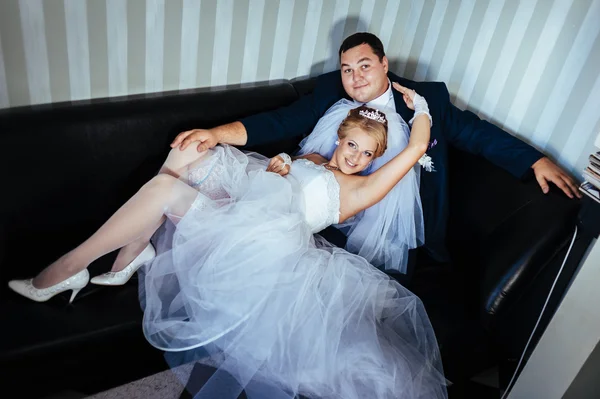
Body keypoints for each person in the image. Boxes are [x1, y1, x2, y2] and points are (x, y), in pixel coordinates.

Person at [9, 90, 448, 398]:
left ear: (374, 160)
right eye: (352, 144)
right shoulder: (313, 158)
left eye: (366, 153)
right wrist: (281, 165)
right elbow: (277, 180)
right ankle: (129, 255)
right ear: (340, 137)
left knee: (164, 189)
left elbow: (415, 148)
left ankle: (69, 268)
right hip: (242, 207)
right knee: (190, 151)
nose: (355, 156)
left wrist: (422, 107)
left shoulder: (359, 190)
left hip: (261, 245)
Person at [169, 32, 580, 278]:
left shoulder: (426, 99)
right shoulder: (331, 90)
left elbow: (477, 134)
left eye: (364, 66)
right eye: (347, 69)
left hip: (389, 227)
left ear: (385, 64)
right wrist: (214, 133)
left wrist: (533, 160)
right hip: (322, 201)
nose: (355, 77)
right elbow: (279, 121)